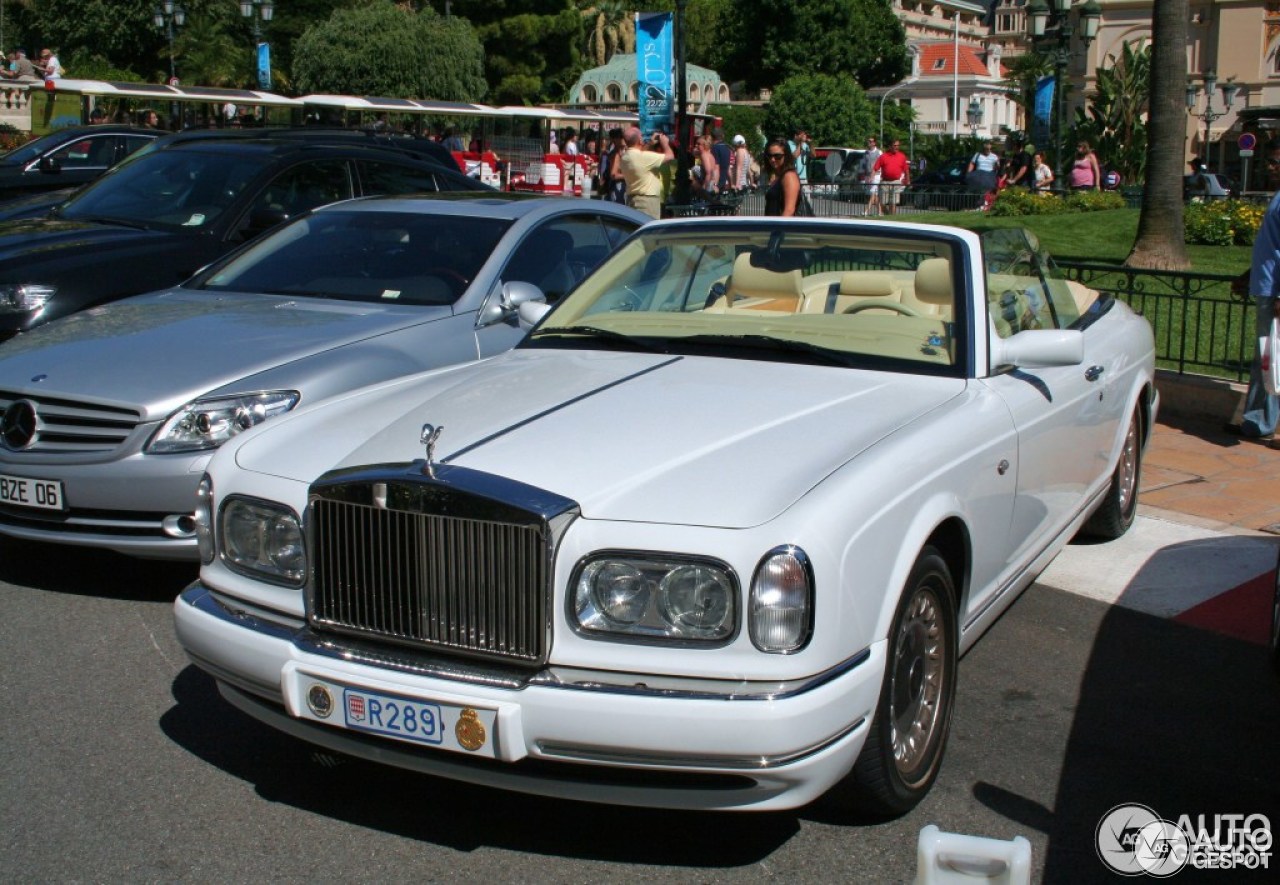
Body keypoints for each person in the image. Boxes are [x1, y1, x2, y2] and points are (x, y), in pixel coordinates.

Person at [1231, 189, 1280, 443]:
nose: (1271, 167)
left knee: (1275, 359)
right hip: (1267, 289)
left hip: (1275, 293)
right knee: (1267, 358)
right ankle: (1255, 422)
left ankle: (1262, 422)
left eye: (1276, 162)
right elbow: (1272, 247)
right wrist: (1250, 276)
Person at [620, 126, 673, 219]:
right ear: (640, 140)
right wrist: (665, 143)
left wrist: (650, 144)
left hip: (632, 199)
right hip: (647, 201)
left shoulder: (625, 157)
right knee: (649, 230)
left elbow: (639, 154)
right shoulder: (644, 157)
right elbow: (670, 156)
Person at [872, 138, 911, 215]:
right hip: (885, 182)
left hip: (896, 182)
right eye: (895, 145)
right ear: (890, 146)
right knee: (882, 202)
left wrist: (908, 180)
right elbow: (875, 168)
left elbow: (906, 170)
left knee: (893, 202)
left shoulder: (902, 156)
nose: (897, 147)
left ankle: (892, 217)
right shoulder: (883, 156)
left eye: (898, 145)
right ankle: (887, 214)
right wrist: (871, 177)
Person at [763, 138, 802, 216]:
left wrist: (778, 228)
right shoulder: (780, 176)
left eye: (777, 156)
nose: (772, 159)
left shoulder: (789, 176)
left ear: (786, 155)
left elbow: (789, 210)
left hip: (782, 226)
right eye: (769, 156)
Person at [859, 136, 883, 214]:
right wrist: (864, 175)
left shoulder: (879, 152)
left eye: (871, 141)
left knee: (873, 192)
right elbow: (863, 164)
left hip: (876, 175)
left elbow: (882, 164)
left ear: (874, 143)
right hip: (868, 175)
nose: (869, 143)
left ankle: (866, 211)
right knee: (874, 194)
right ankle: (880, 212)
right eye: (868, 141)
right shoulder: (866, 153)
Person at [711, 127, 732, 194]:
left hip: (714, 183)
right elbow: (728, 169)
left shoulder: (714, 148)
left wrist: (715, 184)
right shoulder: (727, 148)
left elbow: (716, 167)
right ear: (722, 136)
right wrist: (731, 184)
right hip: (723, 181)